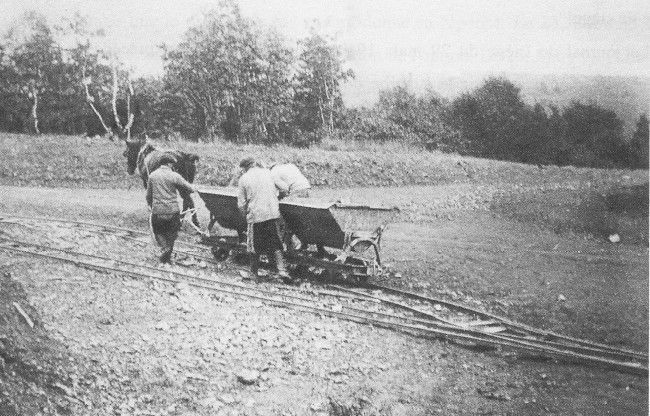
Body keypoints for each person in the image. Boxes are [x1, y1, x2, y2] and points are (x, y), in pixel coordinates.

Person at [237, 156, 292, 283]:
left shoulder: (244, 179)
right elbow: (285, 188)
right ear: (255, 163)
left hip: (256, 216)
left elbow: (241, 204)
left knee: (253, 247)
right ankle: (282, 270)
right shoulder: (268, 173)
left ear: (245, 167)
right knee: (276, 243)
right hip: (272, 214)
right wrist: (276, 198)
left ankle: (254, 274)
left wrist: (245, 216)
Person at [146, 154, 197, 264]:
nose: (173, 166)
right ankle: (167, 251)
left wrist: (151, 206)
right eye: (172, 164)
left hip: (158, 212)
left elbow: (148, 196)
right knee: (172, 233)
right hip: (173, 211)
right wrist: (194, 188)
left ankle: (164, 249)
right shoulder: (174, 175)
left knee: (158, 231)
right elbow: (189, 187)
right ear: (169, 164)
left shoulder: (152, 176)